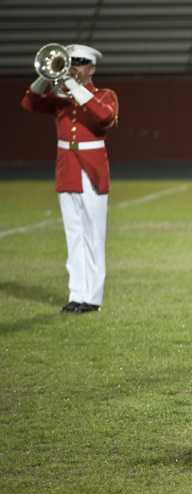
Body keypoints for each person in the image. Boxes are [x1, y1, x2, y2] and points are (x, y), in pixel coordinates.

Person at [21, 44, 119, 313]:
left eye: (79, 62)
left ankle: (93, 297)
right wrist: (46, 75)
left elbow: (105, 116)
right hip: (67, 169)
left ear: (92, 67)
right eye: (70, 61)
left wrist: (74, 87)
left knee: (93, 236)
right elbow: (29, 102)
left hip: (92, 170)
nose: (74, 66)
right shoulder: (60, 98)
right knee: (73, 235)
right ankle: (77, 293)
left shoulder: (104, 95)